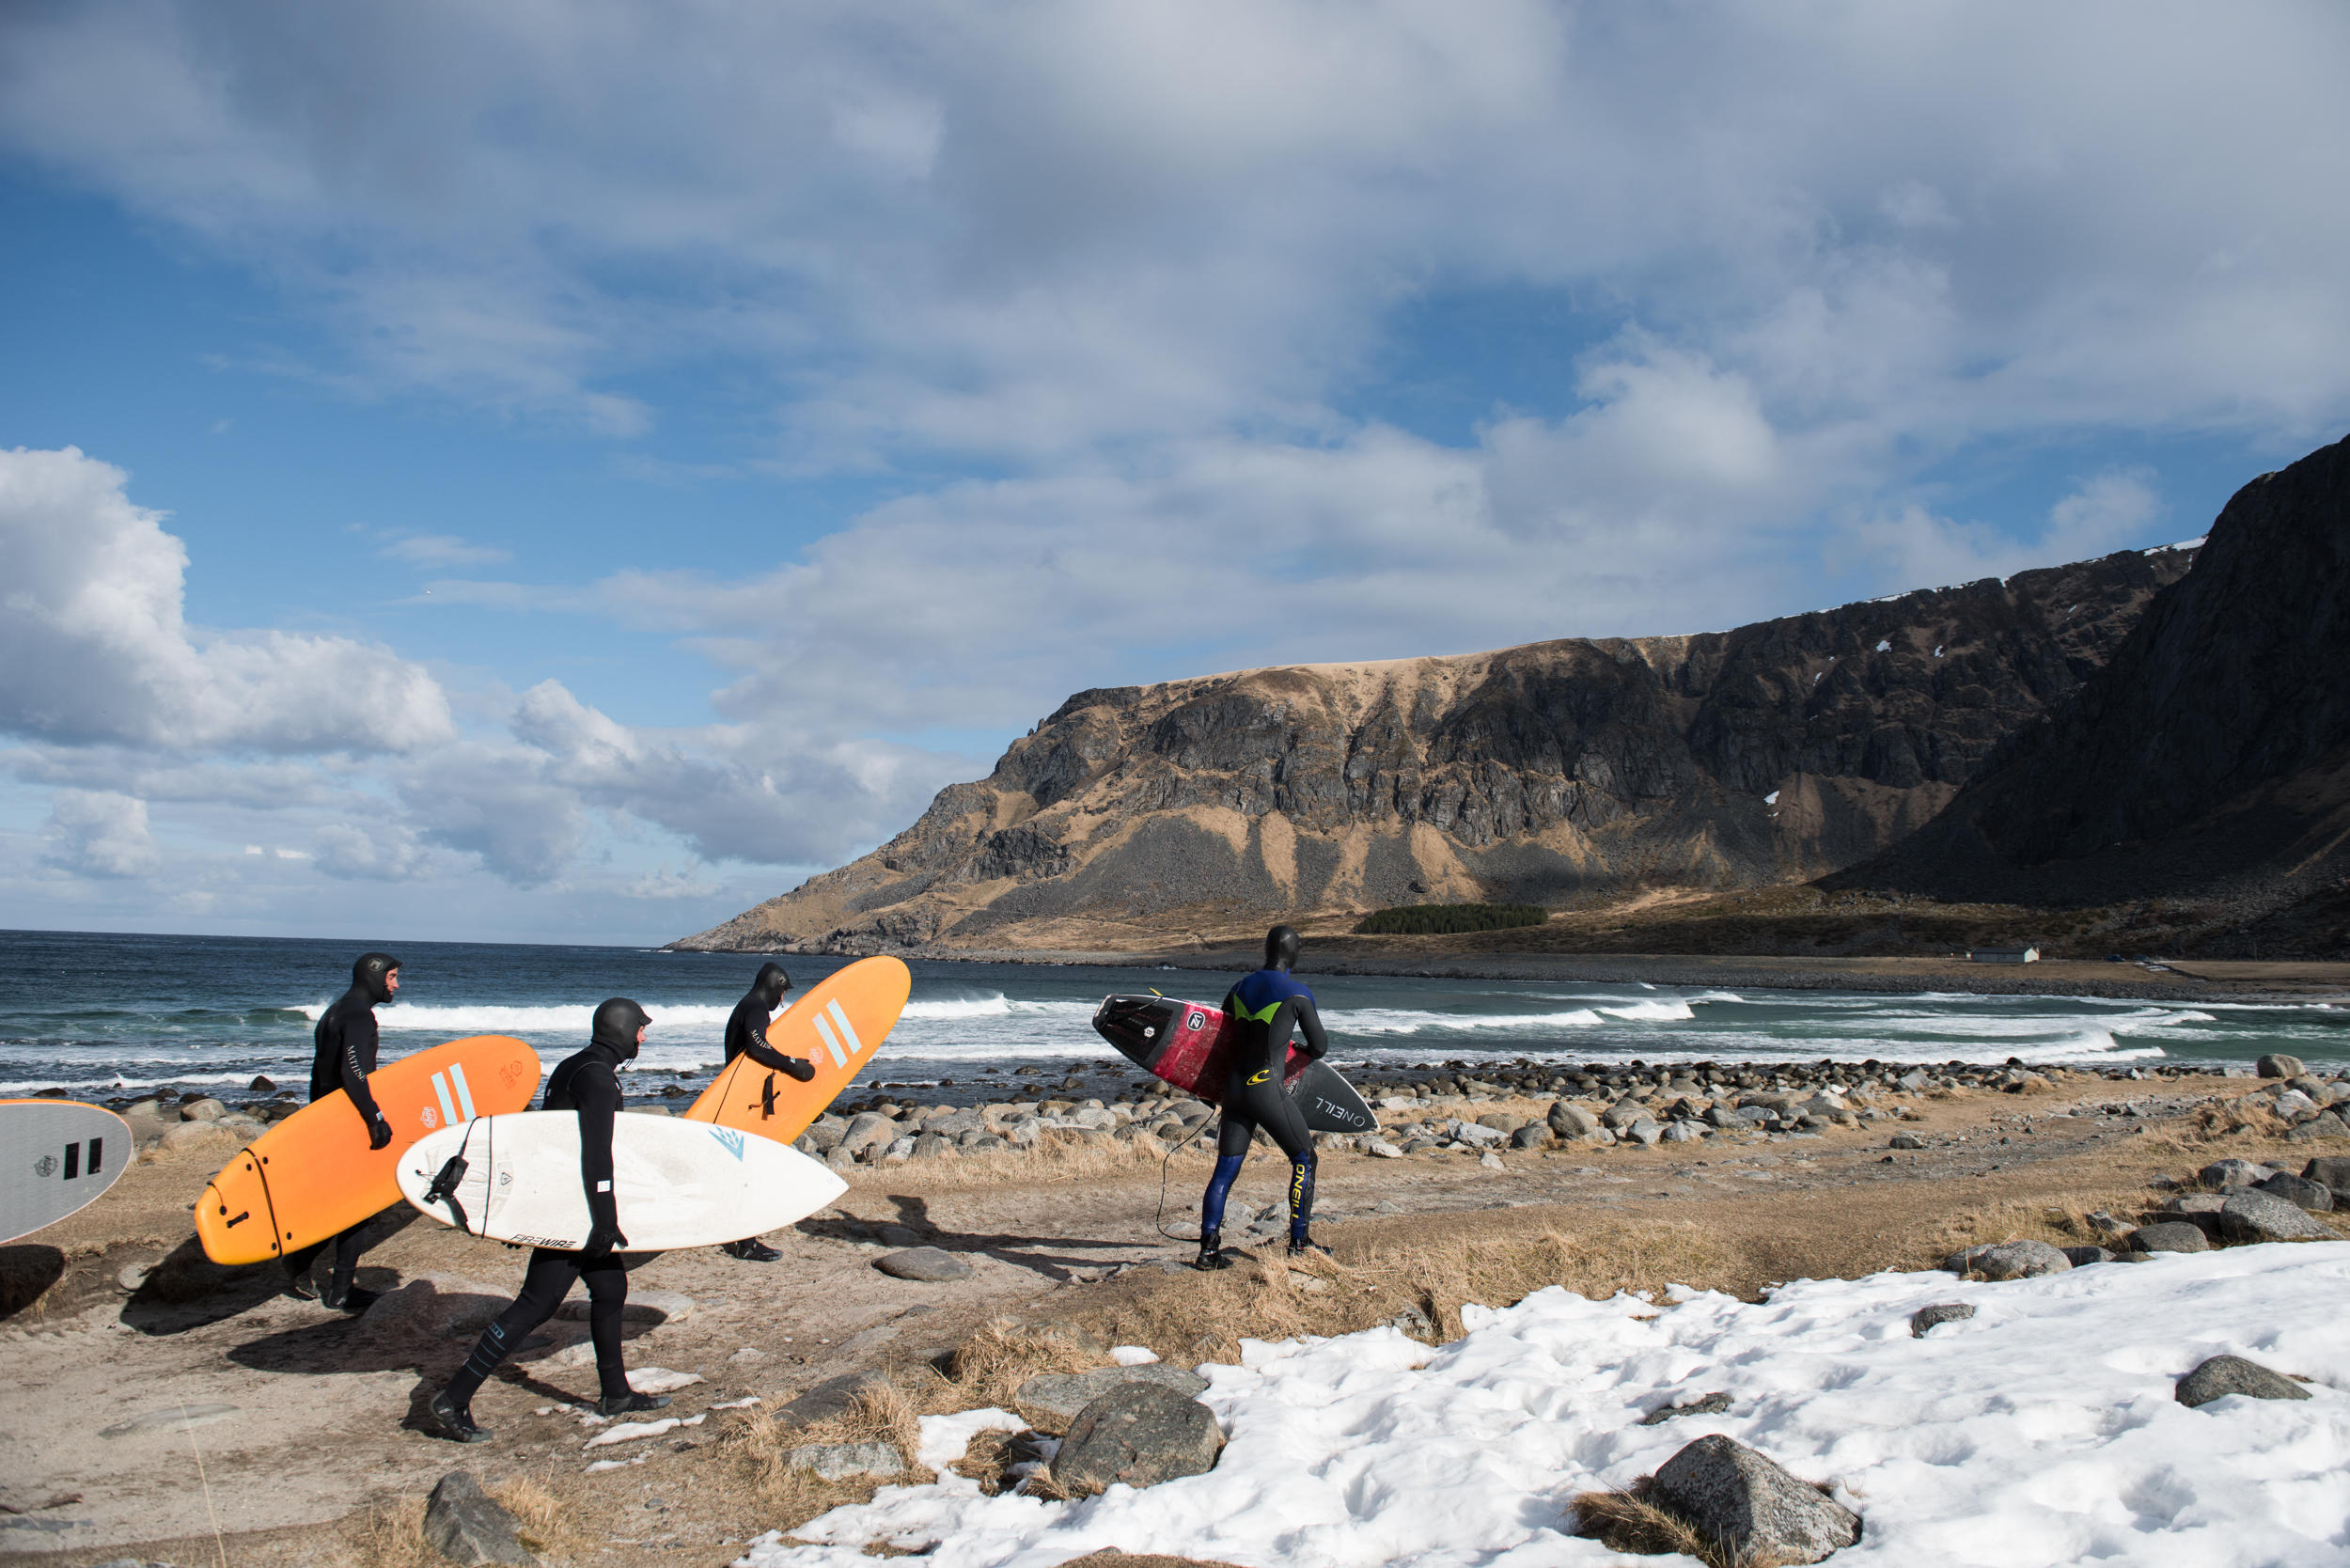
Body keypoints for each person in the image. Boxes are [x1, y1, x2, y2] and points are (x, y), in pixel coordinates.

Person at [428, 997, 672, 1443]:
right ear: (621, 1029)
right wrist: (603, 1218)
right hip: (571, 1209)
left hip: (563, 1197)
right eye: (640, 1028)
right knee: (536, 1304)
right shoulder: (598, 1079)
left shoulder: (573, 1066)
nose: (642, 1037)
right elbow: (596, 1153)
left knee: (611, 1287)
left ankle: (615, 1393)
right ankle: (454, 1397)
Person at [1196, 925, 1330, 1270]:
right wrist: (1296, 1052)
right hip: (1266, 1087)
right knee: (1304, 1159)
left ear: (1267, 950)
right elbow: (1320, 1046)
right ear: (1293, 953)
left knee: (1225, 1169)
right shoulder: (1297, 993)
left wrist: (1206, 1089)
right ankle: (1299, 1242)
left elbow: (1219, 1036)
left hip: (1234, 1090)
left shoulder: (1239, 987)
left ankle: (1208, 1250)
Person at [285, 950, 400, 1309]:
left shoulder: (335, 1011)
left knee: (342, 1203)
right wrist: (374, 1118)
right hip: (348, 1122)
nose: (396, 985)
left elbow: (319, 1074)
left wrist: (315, 1117)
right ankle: (339, 1288)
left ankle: (306, 1266)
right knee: (358, 1205)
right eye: (393, 977)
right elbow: (355, 1072)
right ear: (375, 976)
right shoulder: (359, 1016)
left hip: (328, 1118)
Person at [717, 962, 816, 1262]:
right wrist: (791, 1064)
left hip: (739, 1096)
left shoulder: (746, 1005)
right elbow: (757, 1048)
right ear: (774, 986)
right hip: (740, 1101)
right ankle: (744, 1242)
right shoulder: (757, 1009)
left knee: (745, 1170)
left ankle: (739, 1235)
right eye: (783, 992)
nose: (783, 999)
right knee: (750, 1172)